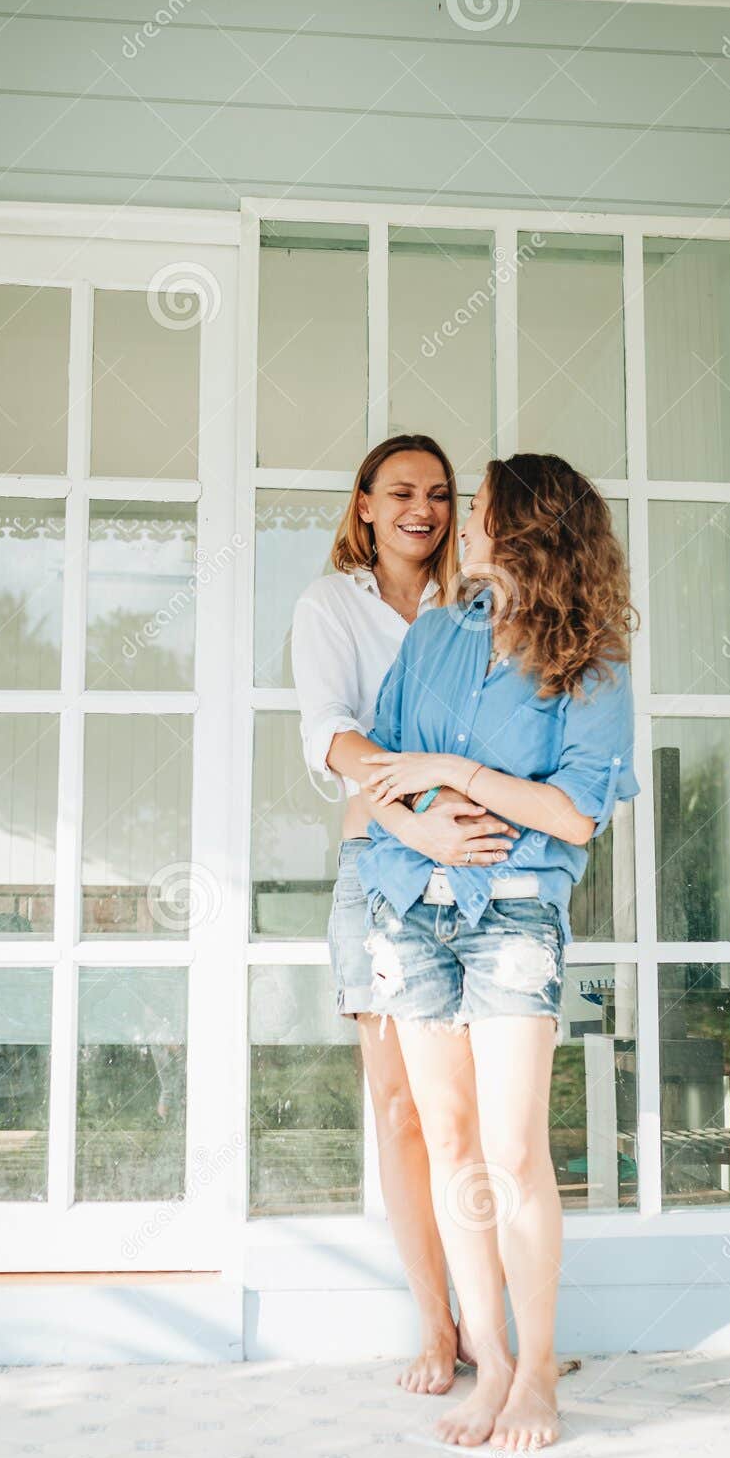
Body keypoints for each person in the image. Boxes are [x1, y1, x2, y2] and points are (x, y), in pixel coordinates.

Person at [358, 452, 639, 1451]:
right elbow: (374, 779)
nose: (459, 524)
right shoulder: (434, 635)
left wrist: (455, 769)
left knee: (514, 1150)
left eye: (475, 509)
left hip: (516, 912)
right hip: (409, 909)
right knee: (451, 1144)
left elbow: (573, 814)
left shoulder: (590, 659)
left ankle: (538, 1373)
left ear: (524, 529)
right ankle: (492, 1362)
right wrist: (430, 808)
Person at [291, 435, 514, 1395]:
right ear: (366, 504)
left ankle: (494, 1326)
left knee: (482, 1116)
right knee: (400, 1107)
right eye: (400, 492)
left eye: (437, 493)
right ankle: (435, 1326)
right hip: (378, 864)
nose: (421, 508)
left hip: (485, 876)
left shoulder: (478, 604)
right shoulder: (328, 605)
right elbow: (333, 735)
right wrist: (416, 824)